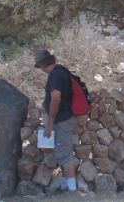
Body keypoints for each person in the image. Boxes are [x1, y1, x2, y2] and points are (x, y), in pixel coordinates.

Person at [34, 50, 78, 192]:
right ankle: (66, 185)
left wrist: (50, 122)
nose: (41, 70)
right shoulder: (61, 72)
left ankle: (72, 190)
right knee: (61, 151)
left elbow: (56, 98)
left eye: (40, 66)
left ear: (42, 64)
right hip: (64, 118)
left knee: (65, 153)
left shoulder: (55, 76)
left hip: (62, 120)